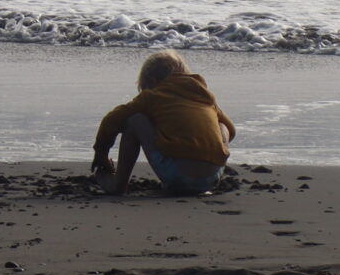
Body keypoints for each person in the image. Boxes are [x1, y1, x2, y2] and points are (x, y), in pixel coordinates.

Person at [91, 50, 235, 196]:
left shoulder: (153, 95)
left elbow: (112, 119)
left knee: (135, 121)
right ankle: (203, 171)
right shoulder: (205, 98)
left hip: (178, 176)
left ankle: (118, 184)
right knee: (221, 126)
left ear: (152, 82)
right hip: (212, 179)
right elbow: (230, 129)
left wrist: (101, 152)